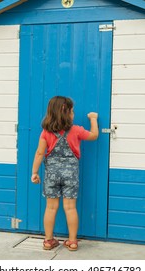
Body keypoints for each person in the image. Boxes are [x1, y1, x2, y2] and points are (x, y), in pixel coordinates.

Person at [31, 96, 98, 251]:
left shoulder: (46, 132)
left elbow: (40, 153)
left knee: (51, 208)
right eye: (72, 111)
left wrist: (35, 172)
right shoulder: (76, 130)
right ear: (65, 112)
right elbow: (94, 136)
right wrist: (93, 119)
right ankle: (73, 241)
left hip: (51, 175)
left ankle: (48, 241)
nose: (74, 114)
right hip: (71, 175)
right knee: (70, 208)